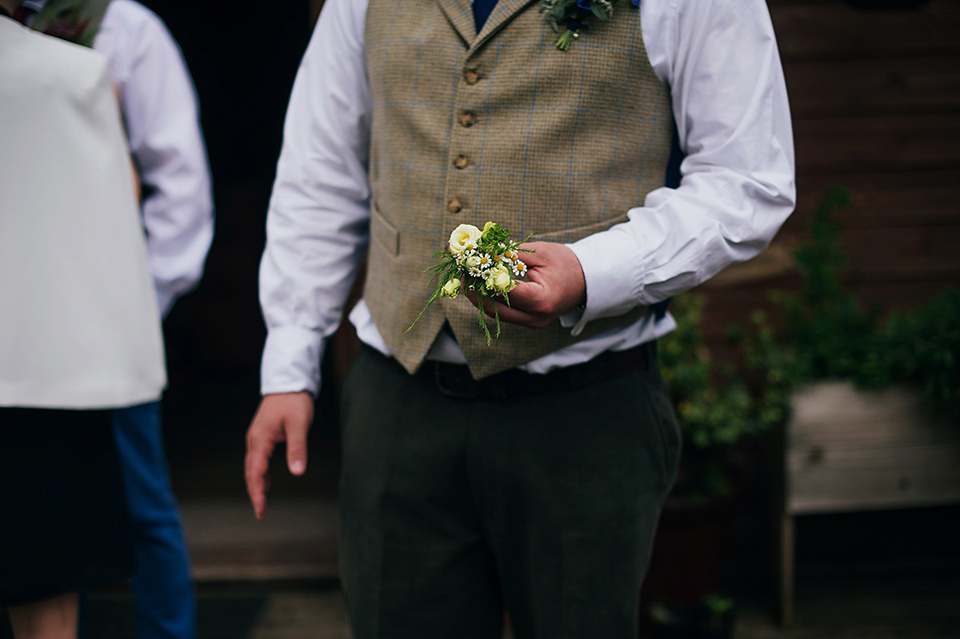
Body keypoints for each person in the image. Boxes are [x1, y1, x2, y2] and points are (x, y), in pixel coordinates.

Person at [245, 0, 795, 637]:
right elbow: (319, 168)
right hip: (397, 407)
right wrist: (290, 360)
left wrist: (592, 271)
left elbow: (747, 179)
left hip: (587, 413)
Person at [15, 1, 214, 637]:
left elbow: (180, 187)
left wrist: (127, 307)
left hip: (102, 320)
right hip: (14, 327)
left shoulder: (127, 28)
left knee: (140, 502)